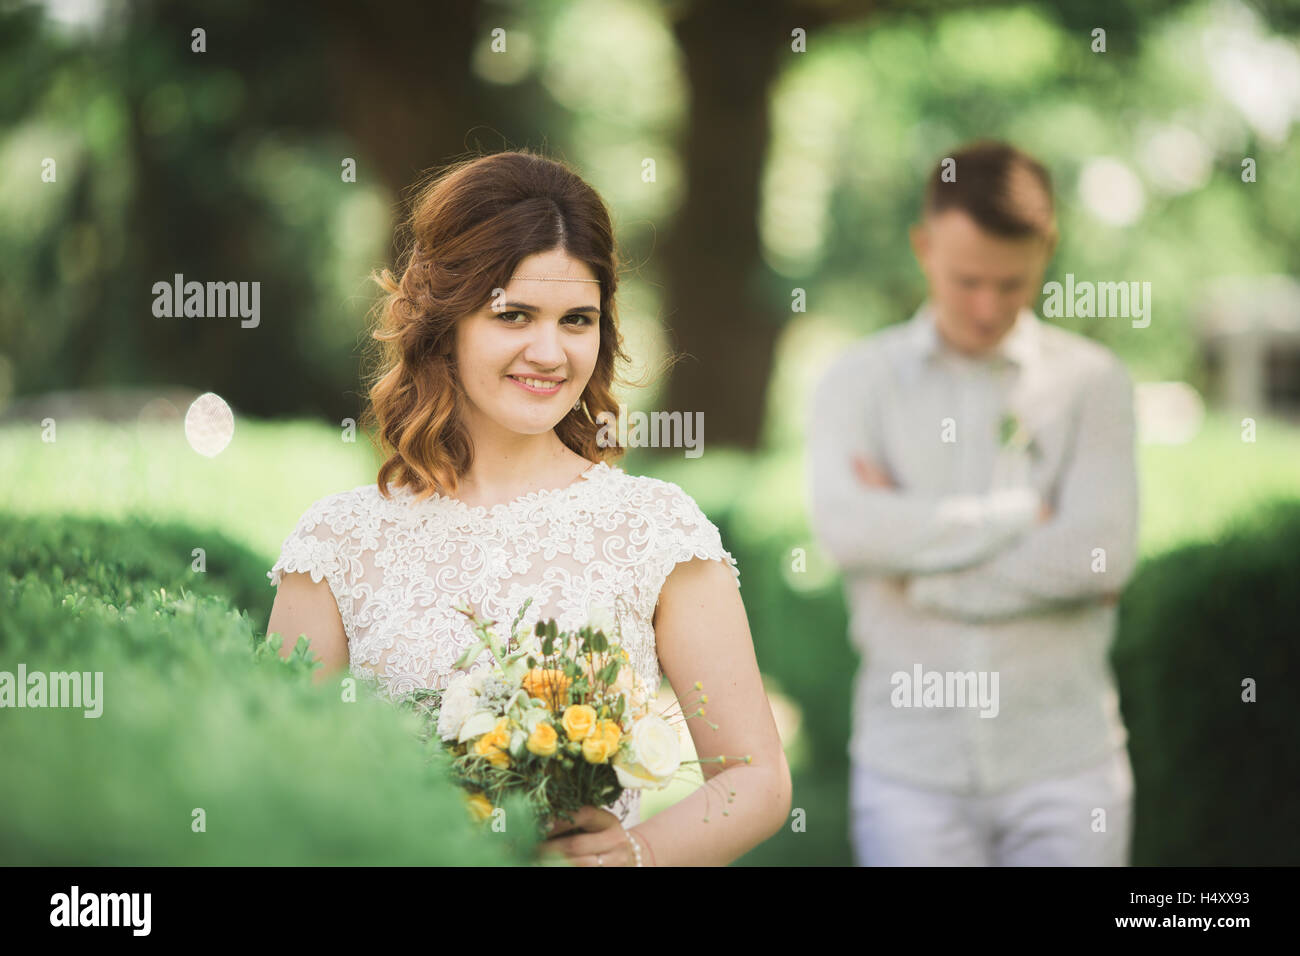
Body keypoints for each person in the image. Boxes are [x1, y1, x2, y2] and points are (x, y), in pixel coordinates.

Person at [266, 150, 791, 867]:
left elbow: (754, 781)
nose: (549, 351)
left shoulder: (655, 531)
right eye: (513, 314)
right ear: (443, 320)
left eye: (577, 319)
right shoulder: (336, 542)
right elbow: (282, 782)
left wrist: (632, 854)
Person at [807, 141, 1138, 866]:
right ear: (923, 247)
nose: (988, 307)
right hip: (909, 771)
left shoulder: (1094, 383)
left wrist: (920, 565)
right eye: (967, 281)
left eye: (1011, 283)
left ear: (1047, 248)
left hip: (1065, 766)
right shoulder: (854, 383)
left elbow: (1099, 555)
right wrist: (1022, 517)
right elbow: (849, 531)